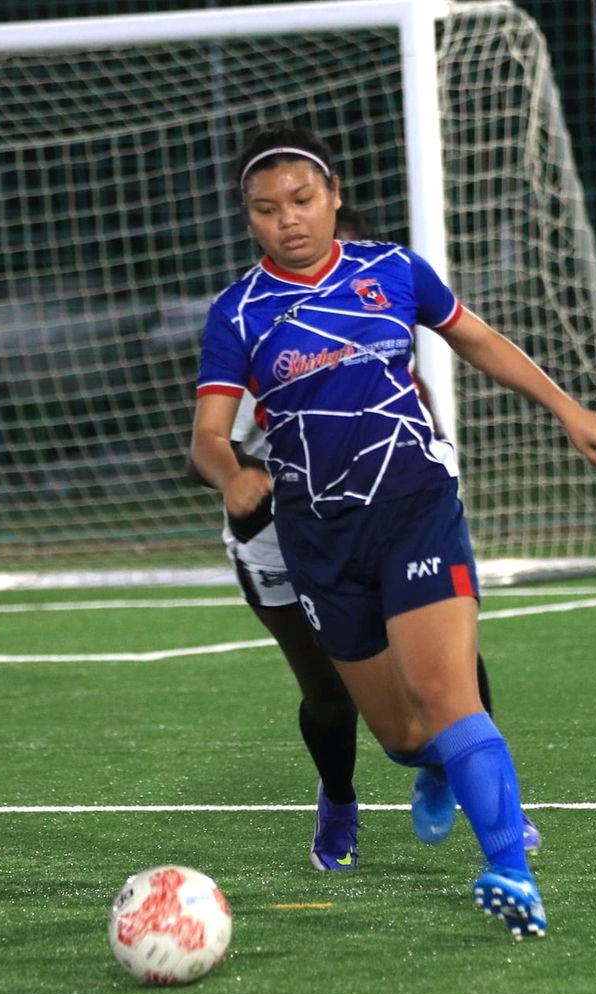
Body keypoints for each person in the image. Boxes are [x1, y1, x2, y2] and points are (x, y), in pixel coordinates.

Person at [190, 126, 596, 939]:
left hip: (414, 503)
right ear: (248, 219)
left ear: (335, 194)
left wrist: (568, 408)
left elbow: (478, 338)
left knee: (450, 697)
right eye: (266, 209)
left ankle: (511, 872)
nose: (289, 220)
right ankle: (434, 770)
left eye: (303, 200)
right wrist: (233, 473)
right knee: (399, 736)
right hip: (317, 536)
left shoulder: (392, 271)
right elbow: (208, 436)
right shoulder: (238, 313)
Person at [201, 203, 538, 874]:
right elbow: (207, 447)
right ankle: (339, 797)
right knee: (329, 693)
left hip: (383, 512)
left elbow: (418, 411)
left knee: (450, 665)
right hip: (276, 534)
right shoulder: (253, 322)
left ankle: (481, 796)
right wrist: (246, 479)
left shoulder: (378, 302)